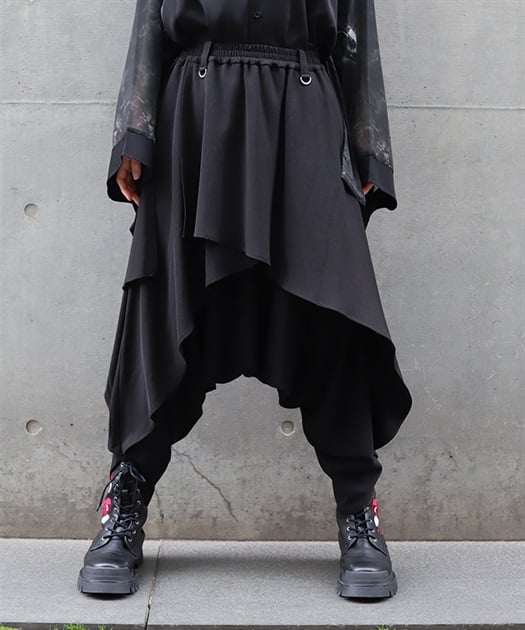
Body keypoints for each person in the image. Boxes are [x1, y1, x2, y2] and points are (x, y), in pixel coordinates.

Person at [77, 0, 413, 599]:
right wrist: (135, 130)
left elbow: (355, 24)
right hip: (197, 116)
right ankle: (124, 502)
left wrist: (368, 146)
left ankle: (359, 511)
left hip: (305, 109)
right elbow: (151, 16)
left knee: (332, 315)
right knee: (165, 309)